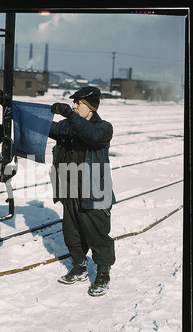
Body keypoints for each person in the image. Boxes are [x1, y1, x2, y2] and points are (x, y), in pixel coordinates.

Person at [49, 86, 116, 297]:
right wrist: (9, 106)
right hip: (69, 188)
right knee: (72, 231)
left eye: (78, 103)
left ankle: (103, 274)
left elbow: (91, 135)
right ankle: (79, 267)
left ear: (90, 107)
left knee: (97, 234)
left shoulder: (103, 128)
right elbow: (45, 127)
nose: (74, 106)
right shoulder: (68, 126)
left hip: (95, 189)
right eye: (73, 103)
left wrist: (70, 115)